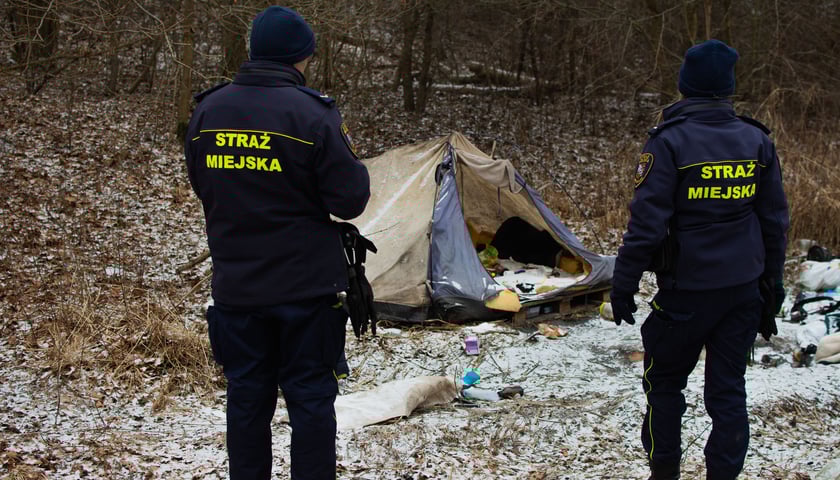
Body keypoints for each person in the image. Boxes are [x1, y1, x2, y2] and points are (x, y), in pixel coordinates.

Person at [184, 5, 370, 479]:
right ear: (299, 57)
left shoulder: (208, 110)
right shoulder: (312, 114)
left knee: (246, 400)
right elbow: (351, 200)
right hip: (305, 292)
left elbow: (202, 184)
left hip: (237, 289)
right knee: (310, 401)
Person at [610, 39, 789, 480]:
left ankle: (664, 473)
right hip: (741, 291)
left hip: (686, 295)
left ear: (685, 85)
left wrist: (623, 283)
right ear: (728, 89)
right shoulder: (755, 141)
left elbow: (646, 226)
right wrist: (771, 287)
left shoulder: (669, 143)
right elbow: (774, 222)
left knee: (664, 385)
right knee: (729, 394)